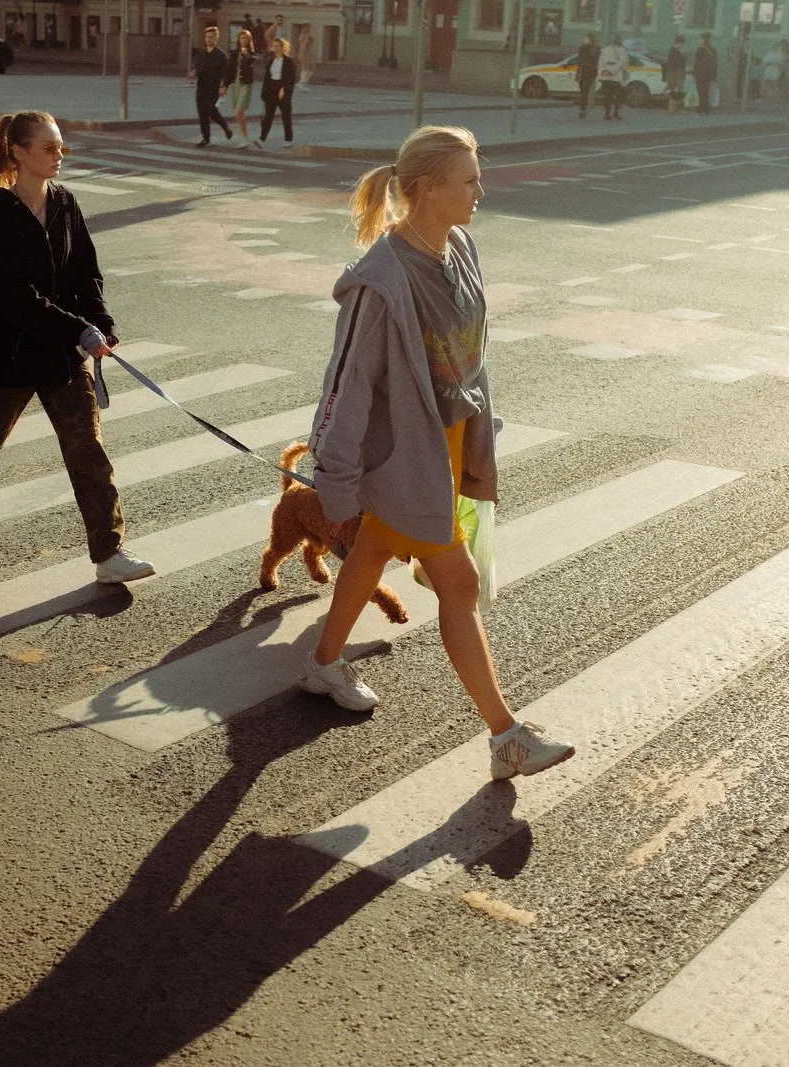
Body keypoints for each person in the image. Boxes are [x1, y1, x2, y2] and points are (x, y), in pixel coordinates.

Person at [301, 125, 576, 781]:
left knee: (371, 551)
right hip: (403, 458)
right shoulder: (380, 282)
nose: (482, 189)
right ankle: (506, 736)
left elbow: (468, 354)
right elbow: (346, 384)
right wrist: (335, 485)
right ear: (426, 190)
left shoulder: (462, 248)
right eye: (470, 180)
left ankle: (323, 662)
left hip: (446, 446)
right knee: (461, 583)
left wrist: (480, 430)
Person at [0, 111, 155, 585]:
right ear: (18, 152)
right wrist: (79, 329)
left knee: (87, 451)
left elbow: (86, 271)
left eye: (62, 148)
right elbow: (12, 299)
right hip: (11, 353)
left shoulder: (65, 203)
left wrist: (100, 322)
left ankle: (109, 553)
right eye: (49, 148)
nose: (59, 156)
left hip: (62, 356)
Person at [189, 24, 232, 146]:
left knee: (211, 110)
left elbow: (226, 73)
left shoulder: (221, 55)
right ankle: (206, 138)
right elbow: (197, 66)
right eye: (207, 37)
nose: (208, 39)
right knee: (202, 113)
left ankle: (225, 127)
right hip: (202, 86)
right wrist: (193, 72)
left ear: (216, 38)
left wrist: (223, 86)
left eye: (211, 37)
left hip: (214, 88)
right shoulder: (201, 52)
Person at [259, 36, 297, 146]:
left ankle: (288, 139)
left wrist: (284, 89)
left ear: (282, 47)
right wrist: (264, 93)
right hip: (271, 89)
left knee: (286, 116)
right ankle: (262, 139)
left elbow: (291, 78)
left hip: (283, 90)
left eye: (276, 46)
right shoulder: (271, 60)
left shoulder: (288, 62)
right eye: (273, 46)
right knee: (268, 116)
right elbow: (267, 77)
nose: (274, 48)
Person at [228, 28, 257, 147]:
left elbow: (253, 63)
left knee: (240, 110)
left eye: (245, 38)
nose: (243, 40)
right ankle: (244, 137)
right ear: (238, 39)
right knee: (238, 113)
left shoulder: (252, 55)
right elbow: (230, 69)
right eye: (241, 38)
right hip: (235, 84)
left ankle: (245, 138)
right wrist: (224, 84)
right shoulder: (234, 53)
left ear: (249, 40)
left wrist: (247, 56)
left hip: (245, 84)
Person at [597, 34, 627, 120]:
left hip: (605, 76)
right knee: (621, 93)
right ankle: (615, 112)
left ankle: (607, 114)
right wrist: (612, 71)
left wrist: (604, 71)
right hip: (616, 77)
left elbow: (601, 62)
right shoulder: (622, 50)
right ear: (620, 40)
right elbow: (622, 63)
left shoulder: (605, 49)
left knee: (607, 96)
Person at [574, 32, 599, 118]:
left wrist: (578, 71)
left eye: (585, 38)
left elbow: (579, 60)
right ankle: (583, 109)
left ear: (588, 39)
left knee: (583, 92)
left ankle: (582, 110)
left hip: (582, 71)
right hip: (591, 73)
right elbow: (597, 61)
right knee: (586, 92)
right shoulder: (596, 48)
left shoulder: (583, 47)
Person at [693, 32, 717, 115]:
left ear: (703, 39)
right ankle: (706, 110)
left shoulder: (700, 49)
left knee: (700, 92)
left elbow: (696, 63)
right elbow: (715, 63)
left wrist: (694, 74)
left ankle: (700, 110)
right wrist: (714, 75)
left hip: (700, 75)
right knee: (706, 92)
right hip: (709, 75)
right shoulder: (713, 49)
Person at [665, 34, 687, 114]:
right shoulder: (674, 51)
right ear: (679, 43)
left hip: (674, 74)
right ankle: (671, 110)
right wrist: (683, 59)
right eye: (682, 44)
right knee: (674, 91)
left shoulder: (674, 50)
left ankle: (674, 109)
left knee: (676, 92)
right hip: (674, 75)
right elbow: (675, 64)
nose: (682, 46)